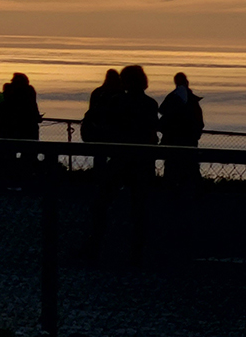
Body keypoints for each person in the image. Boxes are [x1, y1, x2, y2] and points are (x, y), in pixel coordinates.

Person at [86, 64, 159, 263]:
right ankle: (138, 251)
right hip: (142, 161)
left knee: (101, 203)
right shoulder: (150, 104)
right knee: (140, 208)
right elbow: (152, 131)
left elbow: (104, 126)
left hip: (119, 158)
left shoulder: (116, 101)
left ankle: (95, 245)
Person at [158, 72, 204, 186]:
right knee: (190, 170)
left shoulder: (173, 99)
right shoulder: (192, 102)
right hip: (189, 142)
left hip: (172, 142)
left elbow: (163, 115)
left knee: (172, 171)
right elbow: (199, 123)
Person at [0, 73, 41, 140]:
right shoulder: (28, 92)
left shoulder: (7, 94)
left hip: (7, 128)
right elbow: (33, 107)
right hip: (27, 127)